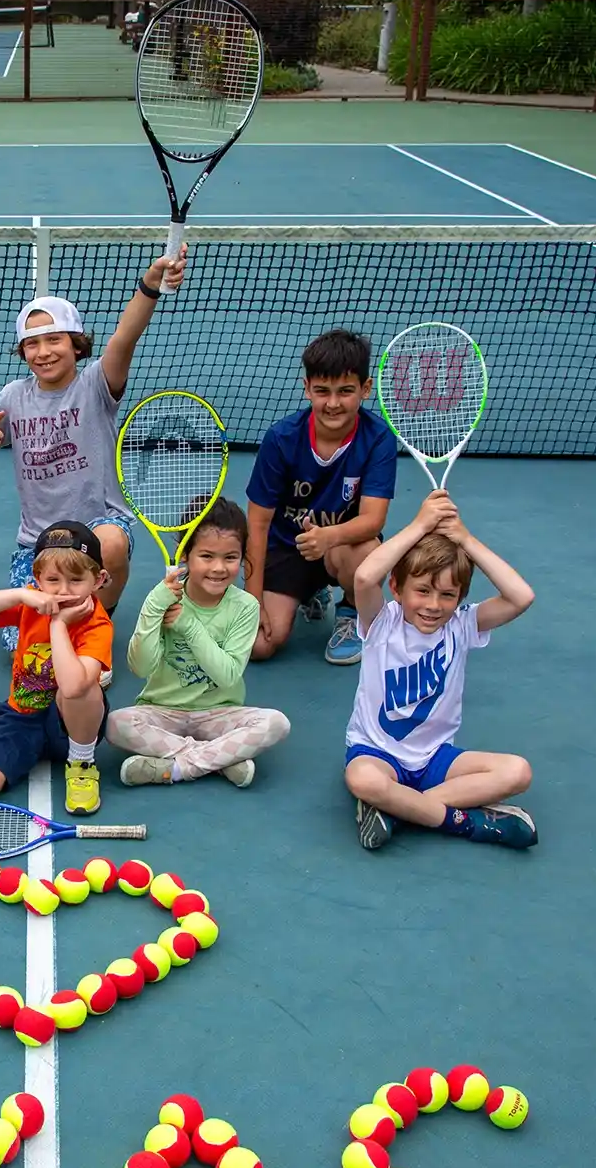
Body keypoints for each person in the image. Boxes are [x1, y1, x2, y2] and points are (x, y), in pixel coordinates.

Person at [0, 248, 187, 664]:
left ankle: (100, 613)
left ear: (77, 344)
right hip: (37, 540)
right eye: (32, 344)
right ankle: (71, 616)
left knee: (111, 545)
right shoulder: (14, 396)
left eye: (54, 340)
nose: (43, 351)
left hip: (99, 522)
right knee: (24, 650)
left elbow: (125, 337)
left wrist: (151, 283)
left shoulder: (96, 386)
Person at [344, 489, 537, 851]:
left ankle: (397, 810)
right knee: (364, 781)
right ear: (397, 589)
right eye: (423, 591)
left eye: (448, 595)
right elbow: (365, 578)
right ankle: (465, 822)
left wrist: (464, 538)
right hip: (377, 754)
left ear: (460, 598)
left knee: (518, 771)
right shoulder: (382, 622)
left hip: (435, 759)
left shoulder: (462, 626)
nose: (434, 605)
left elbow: (521, 596)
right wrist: (420, 525)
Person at [108, 498, 290, 788]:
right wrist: (155, 607)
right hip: (161, 710)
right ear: (185, 554)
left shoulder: (245, 607)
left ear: (243, 557)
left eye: (230, 558)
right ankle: (220, 761)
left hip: (219, 713)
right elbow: (140, 668)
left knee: (276, 723)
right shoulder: (162, 597)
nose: (218, 568)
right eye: (207, 556)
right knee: (116, 724)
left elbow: (228, 675)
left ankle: (176, 769)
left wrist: (188, 626)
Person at [244, 328, 397, 667]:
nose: (333, 403)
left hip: (343, 547)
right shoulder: (281, 439)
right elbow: (257, 525)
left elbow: (374, 520)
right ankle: (308, 591)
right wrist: (252, 604)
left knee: (369, 553)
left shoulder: (378, 438)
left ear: (366, 389)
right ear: (307, 388)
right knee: (259, 646)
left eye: (345, 391)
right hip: (286, 548)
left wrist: (328, 537)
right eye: (322, 391)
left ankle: (351, 611)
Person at [0, 520, 113, 815]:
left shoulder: (97, 625)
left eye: (76, 580)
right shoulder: (32, 601)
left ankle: (81, 764)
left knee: (84, 689)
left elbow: (73, 687)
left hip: (70, 723)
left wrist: (59, 624)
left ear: (99, 579)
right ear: (37, 578)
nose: (63, 591)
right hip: (22, 716)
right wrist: (18, 595)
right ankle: (31, 749)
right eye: (53, 580)